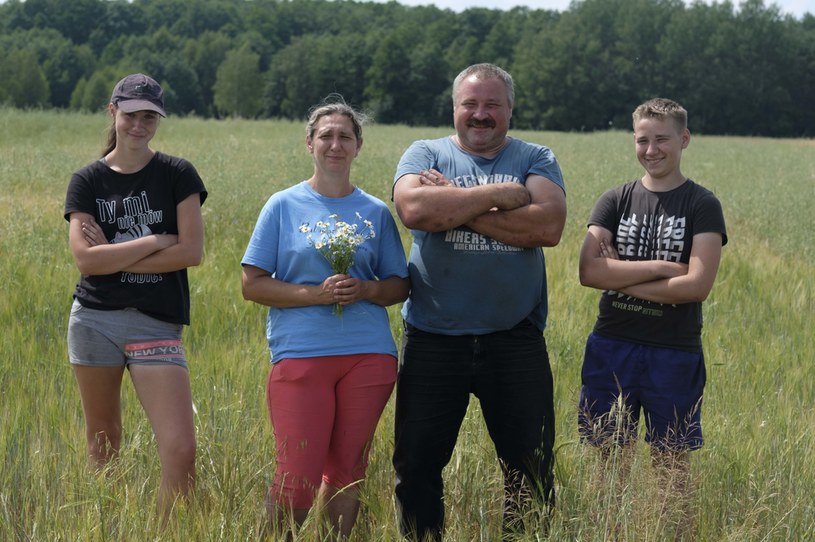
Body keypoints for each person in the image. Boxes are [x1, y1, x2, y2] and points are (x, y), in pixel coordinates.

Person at [391, 63, 567, 540]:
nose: (481, 114)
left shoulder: (536, 157)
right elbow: (414, 209)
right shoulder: (424, 152)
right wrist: (503, 196)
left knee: (530, 471)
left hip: (515, 340)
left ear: (510, 109)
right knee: (418, 467)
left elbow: (546, 227)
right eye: (471, 104)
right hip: (432, 338)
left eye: (492, 104)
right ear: (454, 109)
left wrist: (455, 205)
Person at [241, 95, 409, 539]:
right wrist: (316, 294)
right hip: (301, 354)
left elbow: (399, 284)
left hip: (369, 356)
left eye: (345, 136)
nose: (335, 144)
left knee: (348, 470)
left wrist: (367, 289)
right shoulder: (282, 205)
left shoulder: (374, 212)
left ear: (358, 146)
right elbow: (252, 283)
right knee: (297, 476)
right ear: (309, 143)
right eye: (326, 136)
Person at [577, 98, 727, 536]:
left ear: (684, 139)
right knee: (607, 463)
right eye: (642, 139)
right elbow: (589, 271)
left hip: (673, 353)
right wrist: (664, 270)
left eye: (661, 138)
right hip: (611, 346)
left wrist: (619, 277)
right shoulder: (615, 199)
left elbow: (697, 286)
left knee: (671, 467)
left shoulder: (702, 204)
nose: (651, 149)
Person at [64, 73, 207, 519]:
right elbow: (86, 261)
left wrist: (114, 254)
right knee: (102, 442)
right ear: (113, 112)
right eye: (131, 115)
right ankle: (109, 527)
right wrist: (155, 240)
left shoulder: (178, 174)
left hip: (155, 321)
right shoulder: (86, 180)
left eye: (149, 117)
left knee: (181, 449)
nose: (139, 125)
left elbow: (192, 252)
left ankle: (168, 531)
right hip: (94, 321)